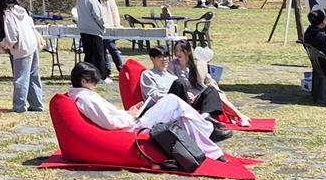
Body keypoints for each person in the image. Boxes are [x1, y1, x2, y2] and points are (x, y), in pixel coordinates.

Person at [67, 62, 228, 159]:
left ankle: (210, 146)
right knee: (173, 102)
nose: (95, 86)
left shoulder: (84, 96)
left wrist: (128, 112)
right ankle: (207, 127)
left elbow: (110, 117)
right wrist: (131, 116)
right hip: (131, 127)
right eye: (93, 82)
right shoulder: (87, 99)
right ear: (84, 81)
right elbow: (110, 123)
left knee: (180, 113)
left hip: (129, 121)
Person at [0, 0, 44, 112]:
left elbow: (12, 39)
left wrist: (1, 44)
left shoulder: (8, 14)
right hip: (32, 44)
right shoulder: (22, 10)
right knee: (34, 76)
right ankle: (37, 104)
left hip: (21, 48)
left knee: (21, 78)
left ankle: (19, 106)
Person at [73, 0, 112, 80]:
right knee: (99, 55)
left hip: (83, 31)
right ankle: (102, 76)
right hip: (94, 31)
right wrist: (103, 25)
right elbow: (98, 16)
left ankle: (87, 76)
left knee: (89, 55)